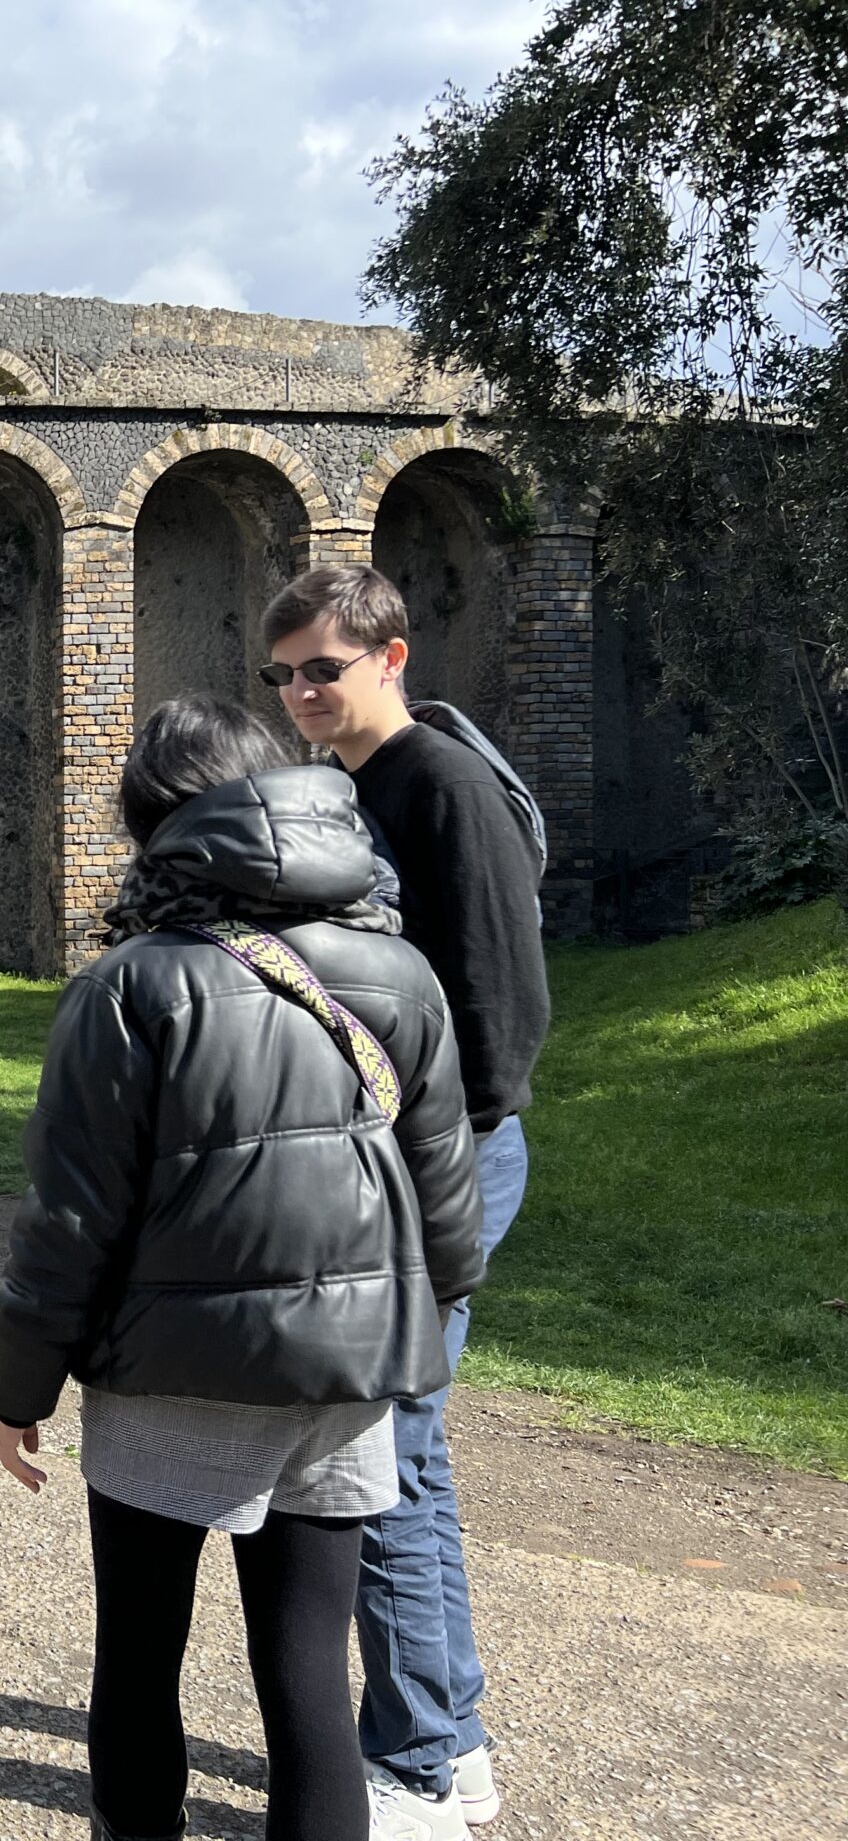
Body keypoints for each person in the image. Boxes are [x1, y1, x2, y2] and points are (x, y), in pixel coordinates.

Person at [0, 696, 483, 1841]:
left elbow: (70, 1219)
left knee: (141, 1658)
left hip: (171, 1369)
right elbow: (444, 1201)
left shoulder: (130, 985)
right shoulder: (399, 973)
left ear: (156, 828)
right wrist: (409, 1338)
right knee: (305, 1670)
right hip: (340, 1380)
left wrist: (17, 1384)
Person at [257, 566, 549, 1838]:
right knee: (391, 1448)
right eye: (283, 675)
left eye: (322, 667)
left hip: (447, 1155)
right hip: (407, 1152)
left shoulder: (434, 780)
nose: (301, 693)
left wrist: (432, 1156)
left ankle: (430, 1759)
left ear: (390, 656)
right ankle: (440, 1740)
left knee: (395, 1453)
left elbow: (499, 1001)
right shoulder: (362, 786)